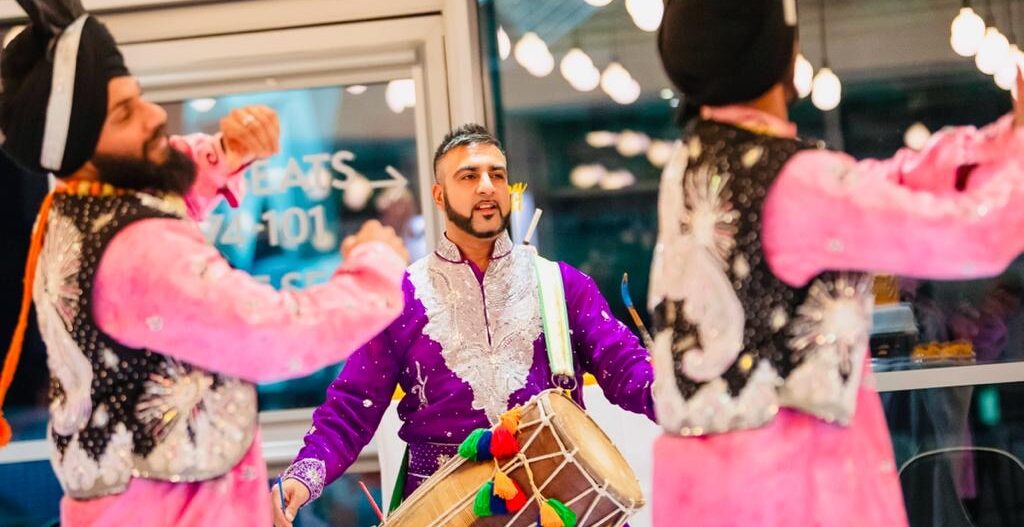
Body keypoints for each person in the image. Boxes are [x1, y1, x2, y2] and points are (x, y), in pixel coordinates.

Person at [0, 1, 408, 525]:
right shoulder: (141, 252)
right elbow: (274, 335)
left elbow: (150, 189)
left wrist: (223, 152)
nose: (154, 116)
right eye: (125, 113)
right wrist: (374, 270)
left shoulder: (71, 208)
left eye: (138, 98)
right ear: (82, 150)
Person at [650, 1, 1024, 525]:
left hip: (710, 492)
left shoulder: (693, 163)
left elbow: (877, 185)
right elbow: (973, 233)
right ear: (777, 52)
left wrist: (1000, 143)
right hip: (793, 489)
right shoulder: (796, 181)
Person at [271, 123, 655, 526]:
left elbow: (627, 368)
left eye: (497, 175)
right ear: (439, 195)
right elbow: (353, 406)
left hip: (556, 502)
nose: (487, 186)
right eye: (469, 176)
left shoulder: (563, 284)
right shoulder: (400, 297)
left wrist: (680, 393)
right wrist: (305, 475)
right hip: (443, 508)